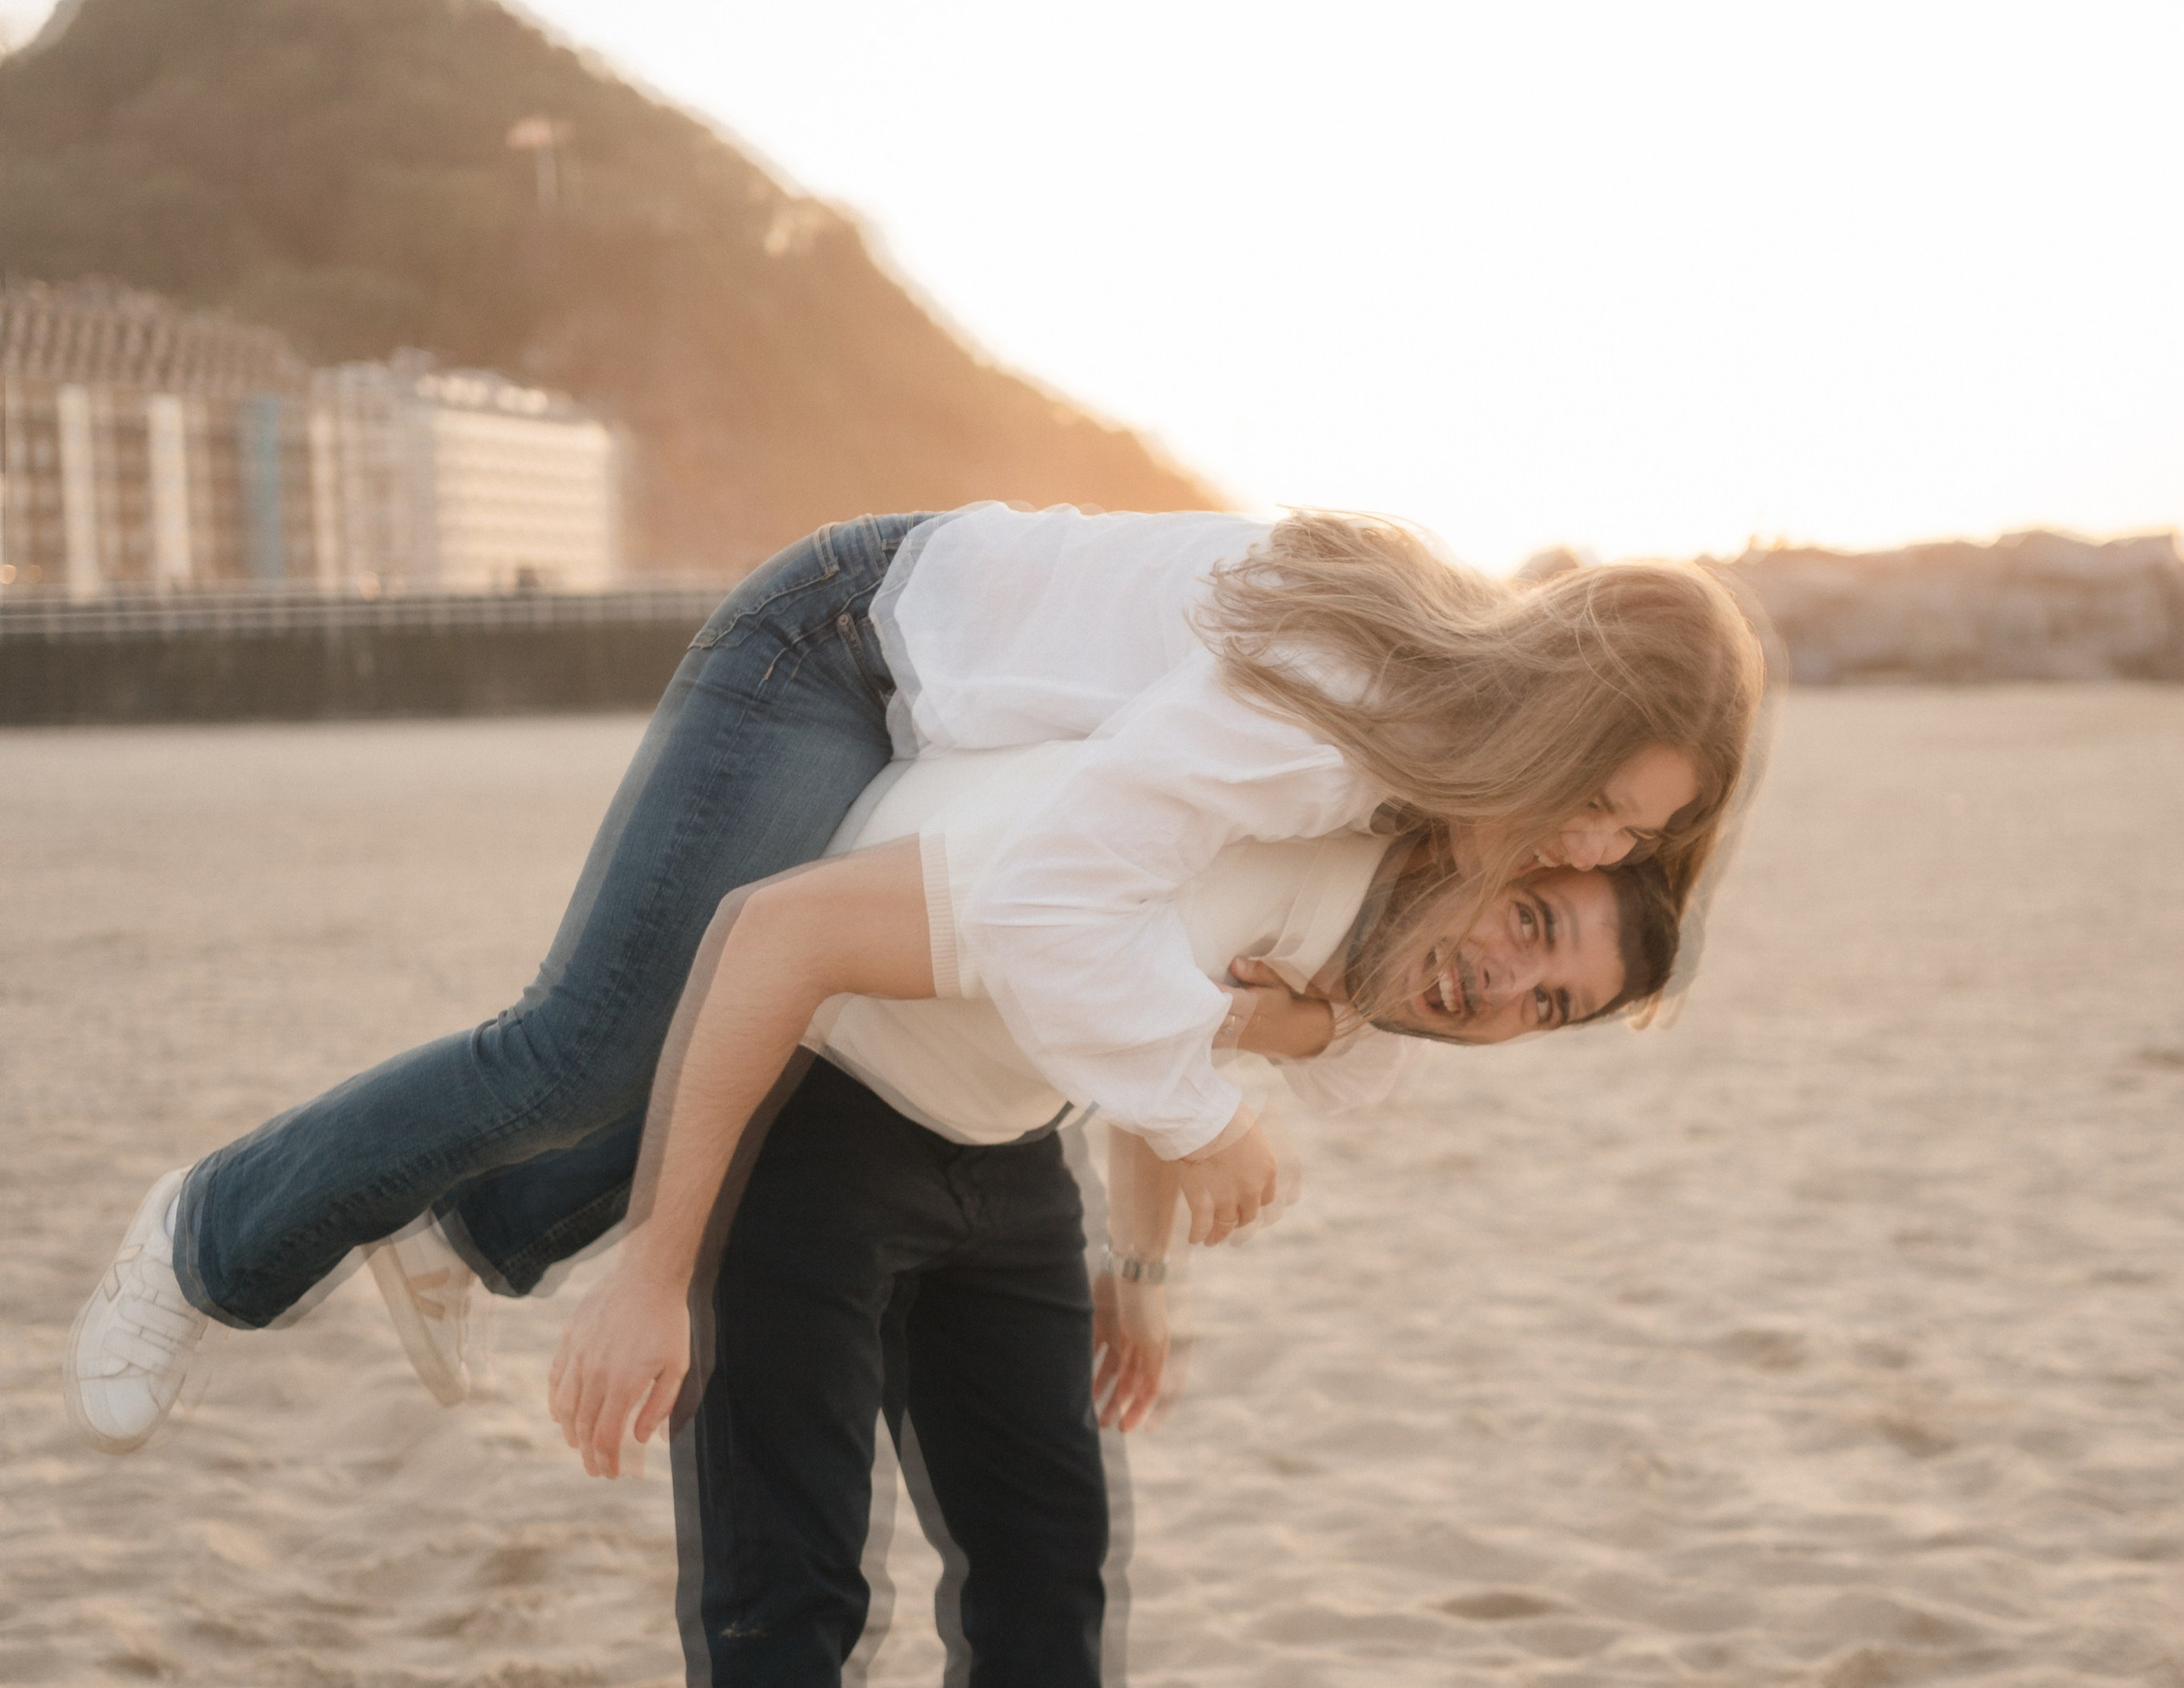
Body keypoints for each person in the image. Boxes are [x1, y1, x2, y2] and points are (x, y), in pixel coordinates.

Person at [551, 740, 1678, 1688]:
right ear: (1509, 855)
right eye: (1535, 931)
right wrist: (660, 1268)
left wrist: (1136, 1266)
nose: (1505, 987)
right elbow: (1096, 929)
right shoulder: (1310, 820)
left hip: (1008, 1159)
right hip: (812, 1122)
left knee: (1048, 1573)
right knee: (788, 1607)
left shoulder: (1360, 965)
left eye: (1552, 1005)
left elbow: (1160, 1019)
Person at [65, 500, 1756, 1460]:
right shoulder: (1328, 715)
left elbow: (1262, 988)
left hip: (940, 720)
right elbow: (1059, 915)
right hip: (842, 646)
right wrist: (1193, 1103)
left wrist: (1200, 1158)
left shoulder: (1420, 788)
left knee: (851, 1028)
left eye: (1632, 846)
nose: (1598, 855)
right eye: (1609, 809)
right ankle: (207, 1236)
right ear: (1558, 717)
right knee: (597, 1041)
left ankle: (466, 1242)